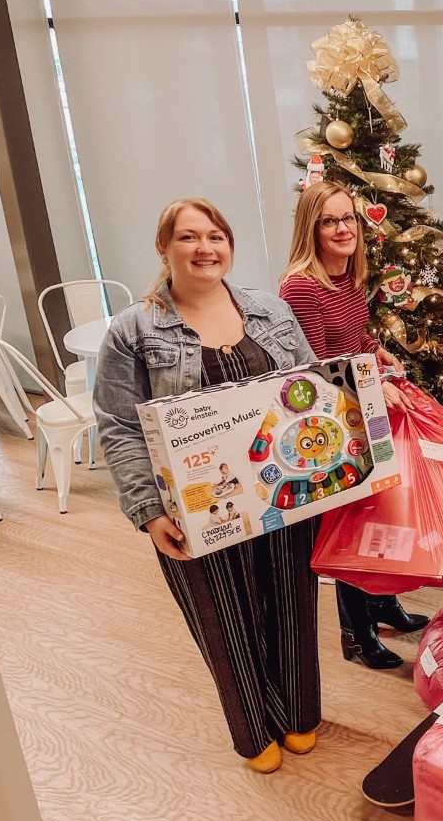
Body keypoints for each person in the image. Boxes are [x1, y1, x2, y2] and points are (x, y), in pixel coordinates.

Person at [94, 198, 322, 774]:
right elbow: (118, 426)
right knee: (223, 614)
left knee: (291, 602)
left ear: (230, 244)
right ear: (163, 247)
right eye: (189, 237)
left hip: (282, 492)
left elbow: (313, 387)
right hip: (193, 509)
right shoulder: (133, 332)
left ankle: (297, 711)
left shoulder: (270, 312)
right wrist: (147, 511)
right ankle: (253, 730)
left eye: (216, 236)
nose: (205, 248)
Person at [280, 180, 429, 672]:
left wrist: (376, 349)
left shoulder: (346, 275)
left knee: (378, 512)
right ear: (311, 228)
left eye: (348, 219)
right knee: (354, 523)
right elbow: (318, 365)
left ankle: (382, 603)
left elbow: (351, 337)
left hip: (362, 409)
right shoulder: (301, 285)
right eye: (329, 221)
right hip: (335, 421)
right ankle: (356, 632)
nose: (343, 229)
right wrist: (371, 386)